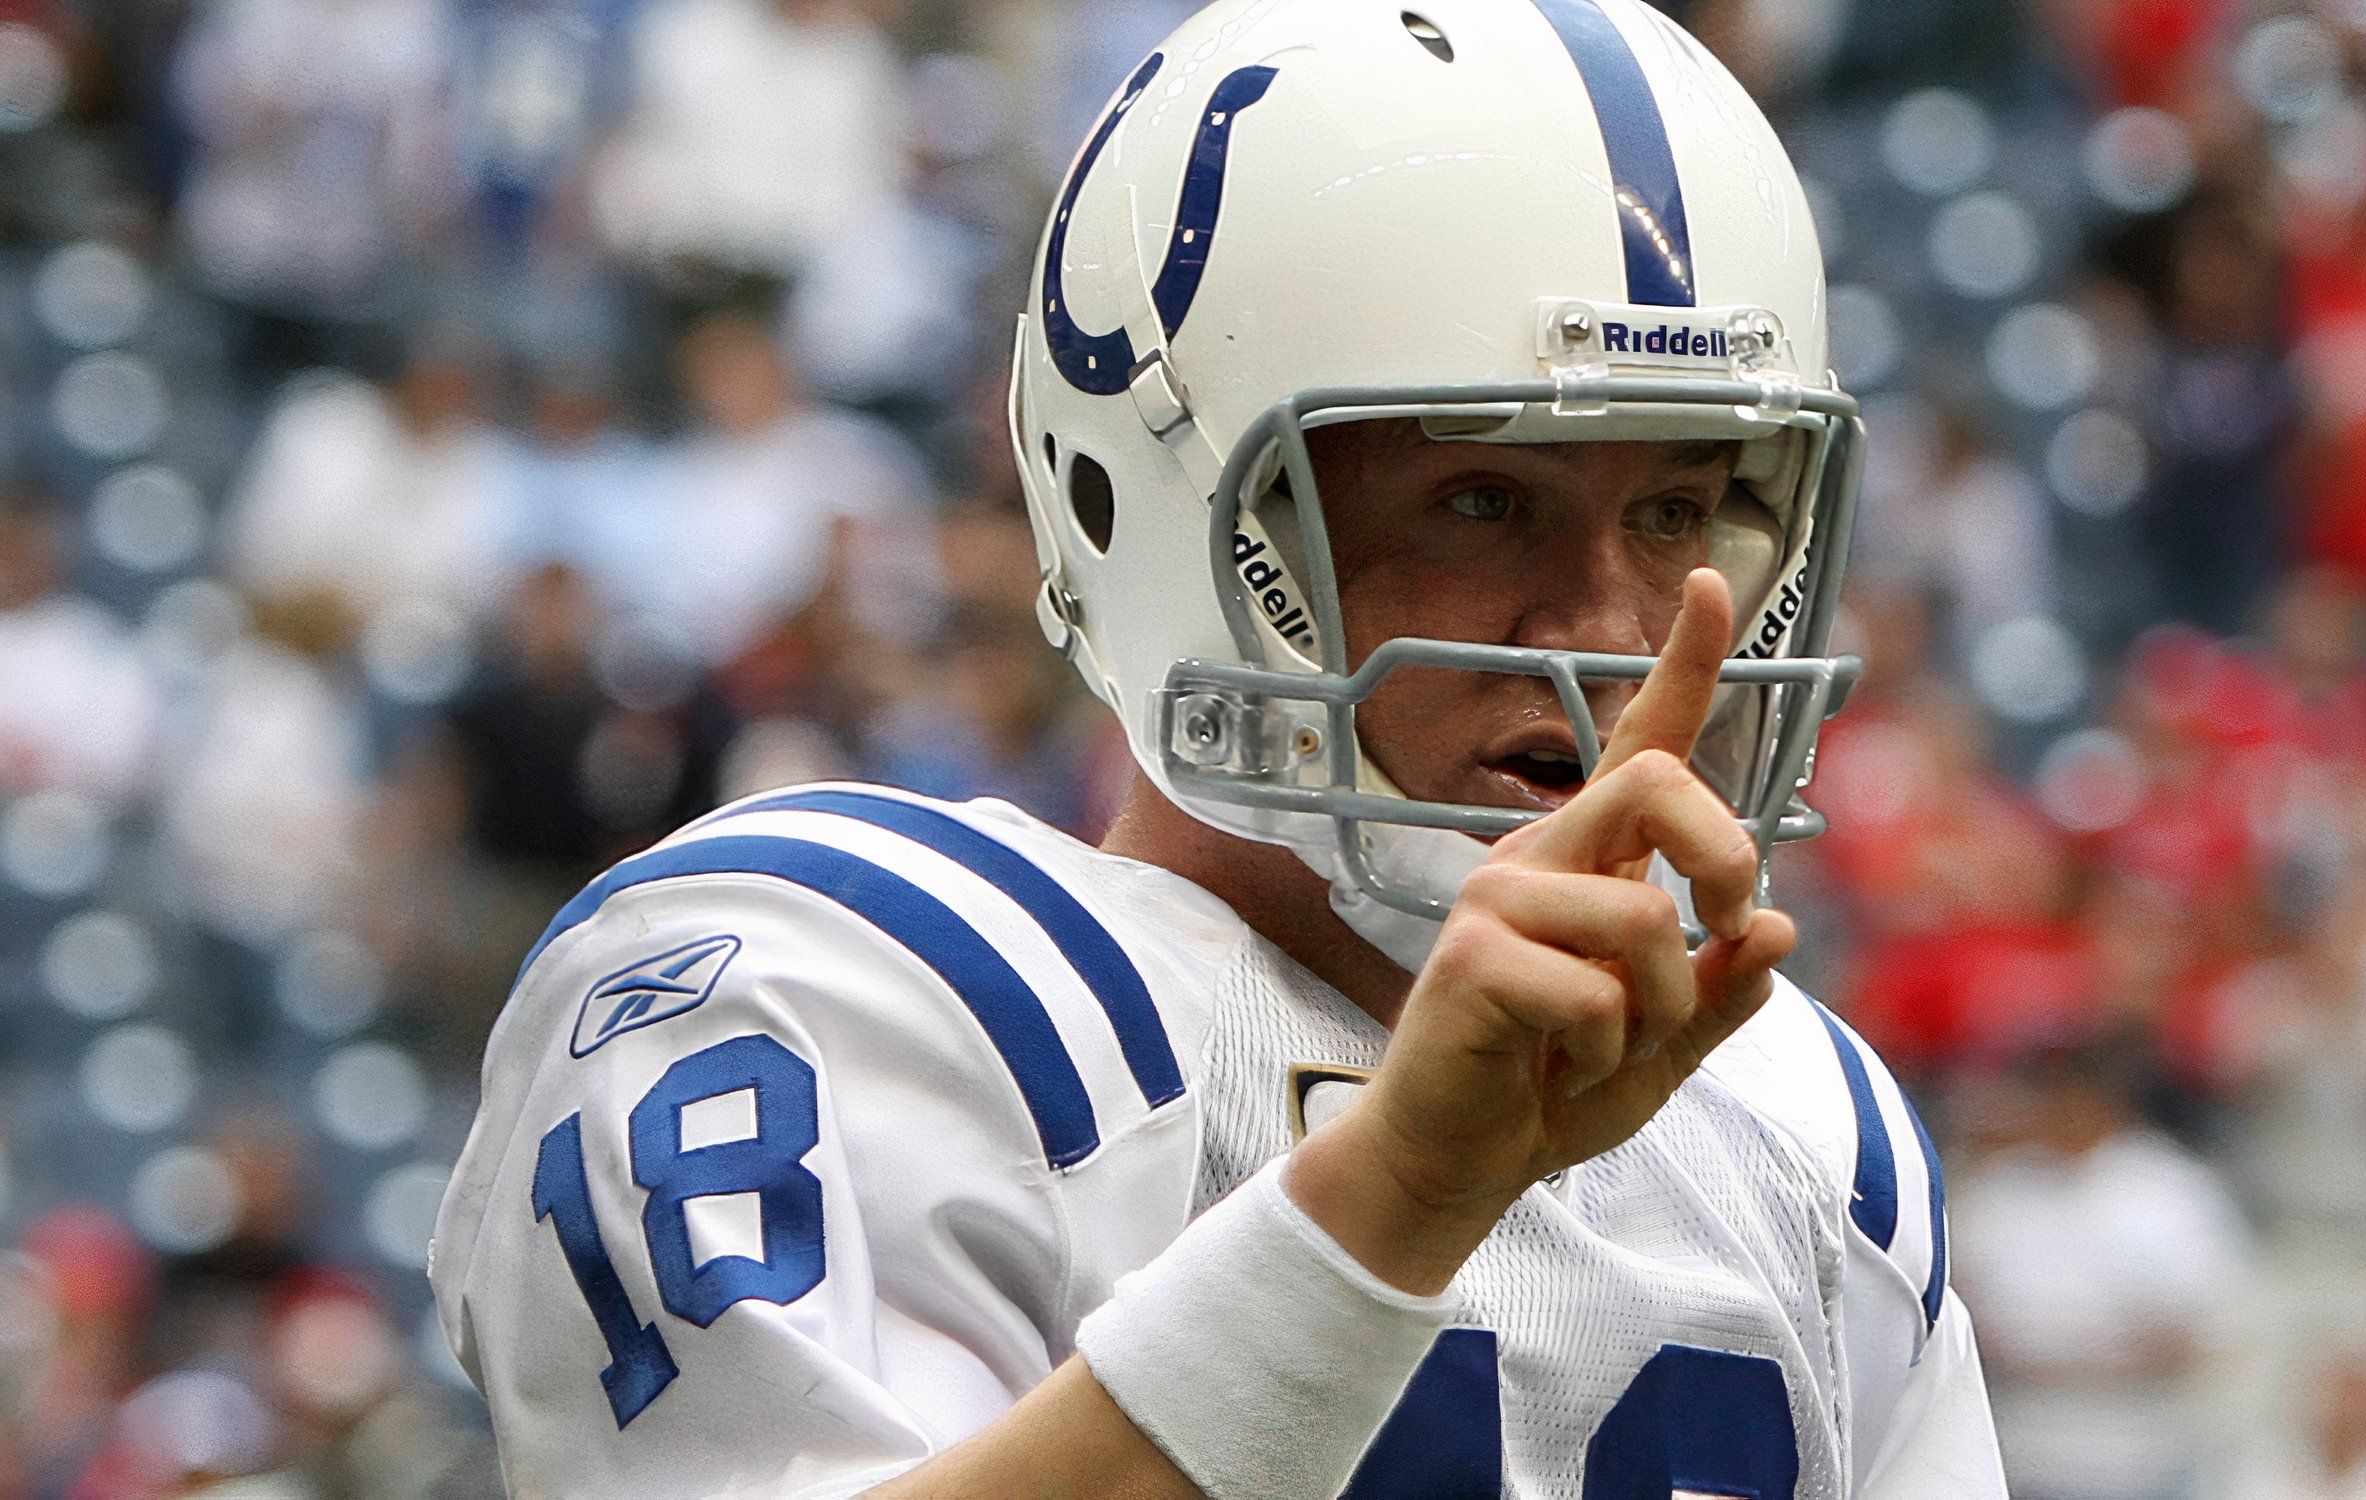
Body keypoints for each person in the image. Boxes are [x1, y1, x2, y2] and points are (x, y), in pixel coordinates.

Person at [429, 4, 2007, 1497]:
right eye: (1483, 501)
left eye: (1673, 511)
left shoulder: (1802, 1124)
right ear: (1176, 512)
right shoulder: (842, 989)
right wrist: (1397, 1196)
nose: (1605, 628)